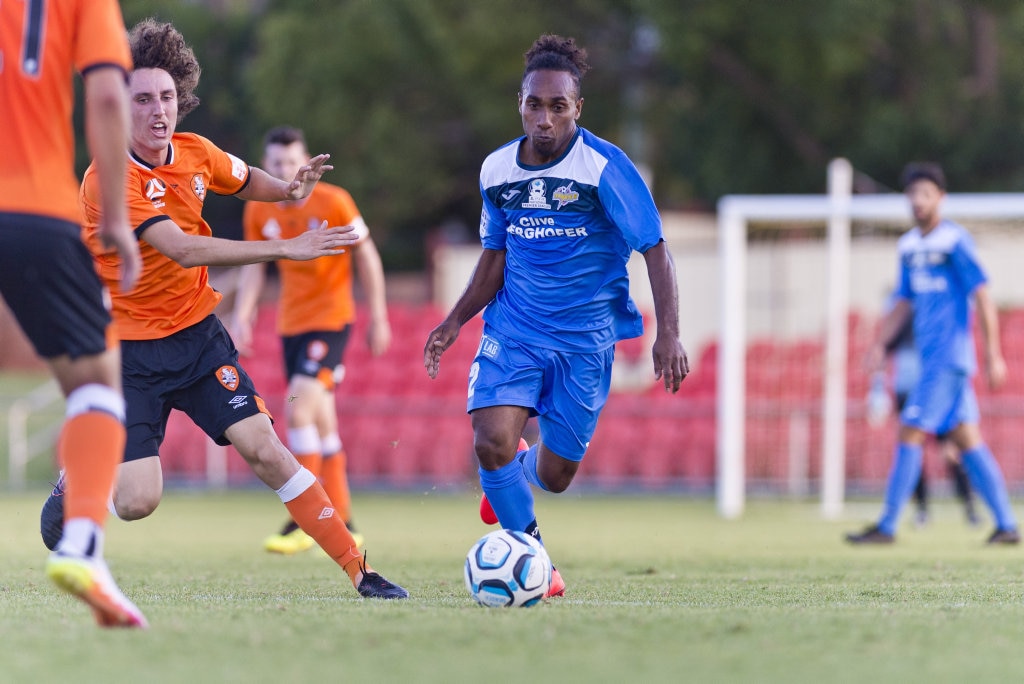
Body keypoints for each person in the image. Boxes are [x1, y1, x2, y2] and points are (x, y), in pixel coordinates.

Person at [39, 18, 408, 599]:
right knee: (138, 501)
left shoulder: (195, 153)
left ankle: (360, 570)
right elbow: (181, 249)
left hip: (198, 338)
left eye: (166, 96)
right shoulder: (104, 179)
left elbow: (243, 178)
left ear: (180, 97)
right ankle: (77, 476)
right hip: (128, 352)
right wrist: (284, 245)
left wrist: (288, 191)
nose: (158, 110)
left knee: (265, 448)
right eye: (142, 100)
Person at [423, 34, 689, 597]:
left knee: (556, 476)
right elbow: (495, 256)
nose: (544, 119)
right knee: (489, 439)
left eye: (557, 106)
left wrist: (669, 334)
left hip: (585, 341)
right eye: (533, 105)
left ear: (577, 108)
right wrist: (454, 321)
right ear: (519, 103)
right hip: (514, 328)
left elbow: (656, 248)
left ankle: (515, 474)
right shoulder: (497, 171)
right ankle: (537, 561)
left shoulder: (604, 167)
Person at [0, 0, 147, 628]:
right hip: (32, 209)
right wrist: (116, 217)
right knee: (97, 386)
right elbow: (110, 98)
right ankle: (82, 544)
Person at [230, 125, 391, 555]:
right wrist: (243, 317)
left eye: (292, 161)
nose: (286, 170)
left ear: (307, 163)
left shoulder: (335, 202)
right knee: (323, 424)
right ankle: (347, 522)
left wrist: (378, 315)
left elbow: (368, 254)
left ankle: (302, 518)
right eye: (277, 163)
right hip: (291, 327)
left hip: (331, 322)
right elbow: (254, 267)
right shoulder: (260, 210)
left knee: (298, 410)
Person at [847, 162, 1017, 545]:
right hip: (931, 359)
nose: (918, 202)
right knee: (967, 439)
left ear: (940, 197)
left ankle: (887, 526)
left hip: (950, 359)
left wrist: (994, 354)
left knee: (910, 428)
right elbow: (904, 302)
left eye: (926, 194)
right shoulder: (908, 247)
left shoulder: (954, 242)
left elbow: (983, 295)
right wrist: (879, 344)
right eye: (912, 195)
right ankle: (1007, 525)